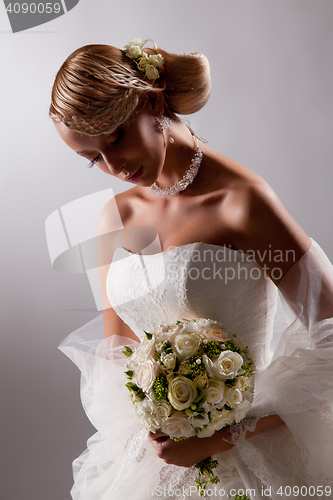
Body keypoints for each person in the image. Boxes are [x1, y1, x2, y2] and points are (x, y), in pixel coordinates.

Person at [50, 39, 333, 499]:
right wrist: (157, 428)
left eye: (116, 138)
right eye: (93, 159)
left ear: (152, 98)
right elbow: (117, 353)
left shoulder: (243, 203)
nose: (114, 166)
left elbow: (332, 332)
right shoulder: (115, 217)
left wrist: (224, 436)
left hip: (249, 458)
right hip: (148, 466)